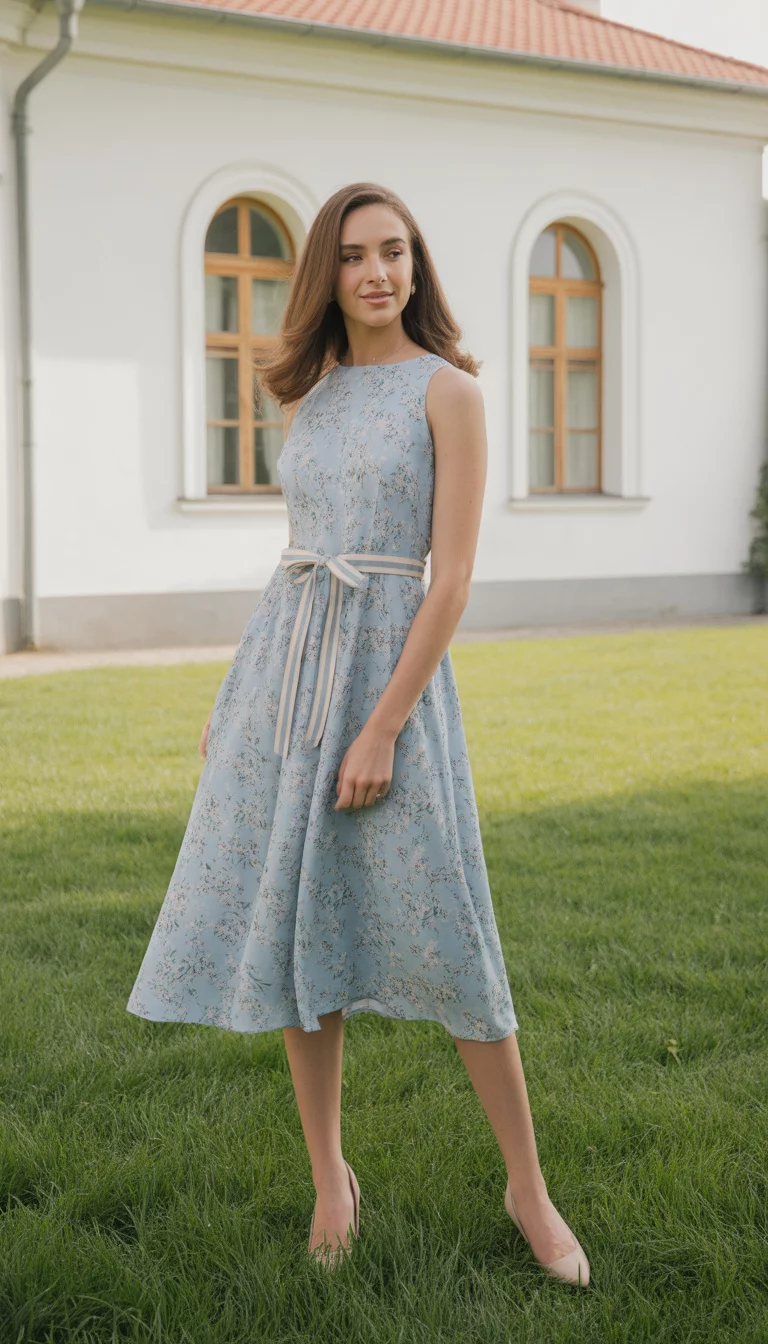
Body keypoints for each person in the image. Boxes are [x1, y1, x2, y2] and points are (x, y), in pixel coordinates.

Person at [126, 182, 590, 1287]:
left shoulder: (453, 392)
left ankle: (528, 1186)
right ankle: (332, 1178)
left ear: (417, 266)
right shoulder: (317, 393)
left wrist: (382, 727)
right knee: (303, 934)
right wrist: (236, 698)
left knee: (458, 935)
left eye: (395, 252)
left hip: (393, 684)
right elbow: (296, 559)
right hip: (287, 682)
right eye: (354, 257)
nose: (378, 272)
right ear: (325, 277)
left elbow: (452, 580)